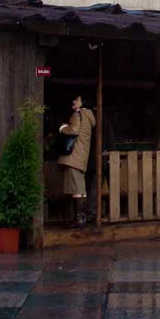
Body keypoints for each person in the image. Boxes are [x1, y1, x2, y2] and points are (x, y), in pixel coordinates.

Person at [57, 95, 96, 227]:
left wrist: (63, 128)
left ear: (82, 103)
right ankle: (82, 219)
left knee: (76, 190)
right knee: (81, 189)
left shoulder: (77, 114)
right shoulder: (89, 116)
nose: (73, 101)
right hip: (81, 157)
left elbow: (73, 130)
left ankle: (78, 220)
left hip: (73, 157)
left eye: (77, 100)